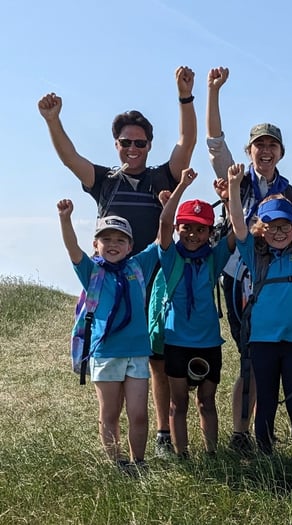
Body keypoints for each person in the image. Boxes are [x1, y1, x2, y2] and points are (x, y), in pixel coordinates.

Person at [38, 66, 197, 458]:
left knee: (156, 359)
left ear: (148, 145)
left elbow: (187, 142)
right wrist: (53, 120)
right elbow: (70, 157)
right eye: (126, 141)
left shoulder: (163, 176)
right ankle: (135, 444)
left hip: (156, 276)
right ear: (116, 144)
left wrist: (185, 96)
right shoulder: (104, 180)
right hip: (113, 283)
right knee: (132, 358)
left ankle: (161, 434)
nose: (133, 148)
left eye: (140, 143)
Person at [206, 66, 292, 453]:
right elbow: (214, 142)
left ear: (280, 152)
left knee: (265, 355)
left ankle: (260, 431)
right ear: (249, 151)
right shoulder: (237, 177)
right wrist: (213, 91)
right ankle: (241, 432)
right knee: (249, 354)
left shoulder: (287, 189)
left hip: (273, 283)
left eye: (271, 146)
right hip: (238, 276)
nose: (265, 151)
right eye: (258, 146)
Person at [226, 152, 292, 466]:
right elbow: (237, 222)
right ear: (261, 227)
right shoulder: (253, 254)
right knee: (268, 402)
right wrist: (234, 187)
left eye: (285, 224)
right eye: (271, 224)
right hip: (262, 342)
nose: (279, 230)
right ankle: (265, 457)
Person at [57, 204, 160, 474]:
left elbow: (163, 236)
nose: (113, 244)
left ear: (130, 246)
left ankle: (139, 463)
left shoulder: (139, 266)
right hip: (105, 353)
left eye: (120, 240)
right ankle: (117, 464)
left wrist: (173, 197)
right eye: (106, 239)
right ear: (96, 244)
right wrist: (64, 219)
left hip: (137, 352)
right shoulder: (92, 272)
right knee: (110, 414)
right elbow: (72, 249)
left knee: (139, 414)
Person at [157, 168, 234, 459]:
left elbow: (233, 233)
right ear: (179, 228)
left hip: (209, 343)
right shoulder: (171, 257)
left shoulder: (213, 260)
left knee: (207, 401)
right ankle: (182, 455)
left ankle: (212, 454)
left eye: (201, 228)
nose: (192, 234)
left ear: (208, 232)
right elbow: (164, 221)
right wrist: (181, 188)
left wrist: (227, 200)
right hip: (177, 341)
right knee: (178, 404)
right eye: (187, 227)